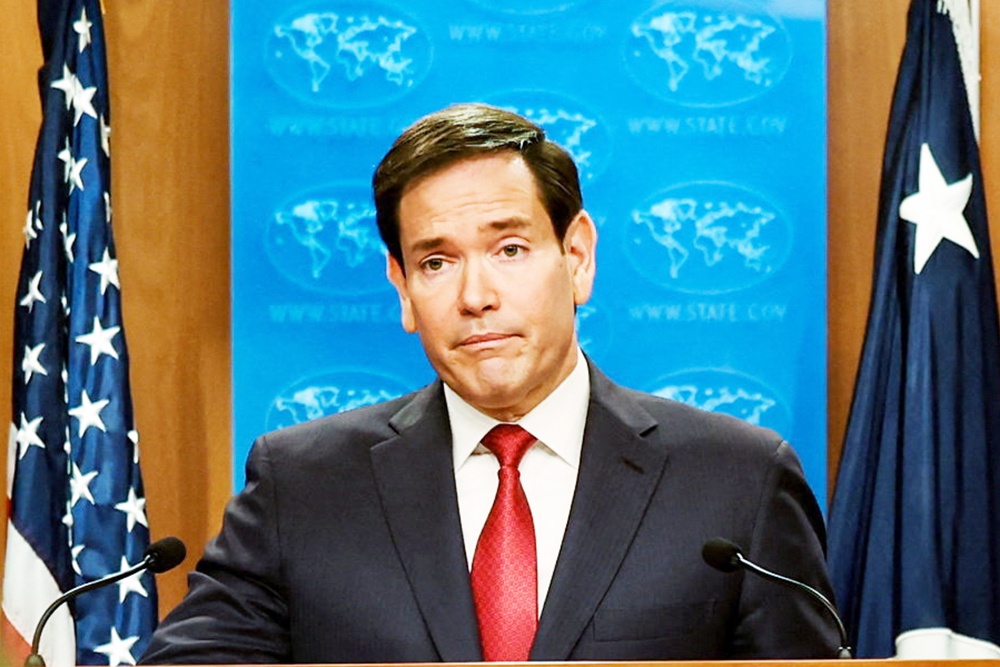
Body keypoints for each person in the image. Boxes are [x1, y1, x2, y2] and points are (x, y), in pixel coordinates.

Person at [141, 103, 840, 663]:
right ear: (403, 289)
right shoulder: (301, 485)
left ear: (577, 256)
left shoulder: (737, 481)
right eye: (436, 262)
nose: (476, 296)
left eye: (509, 249)